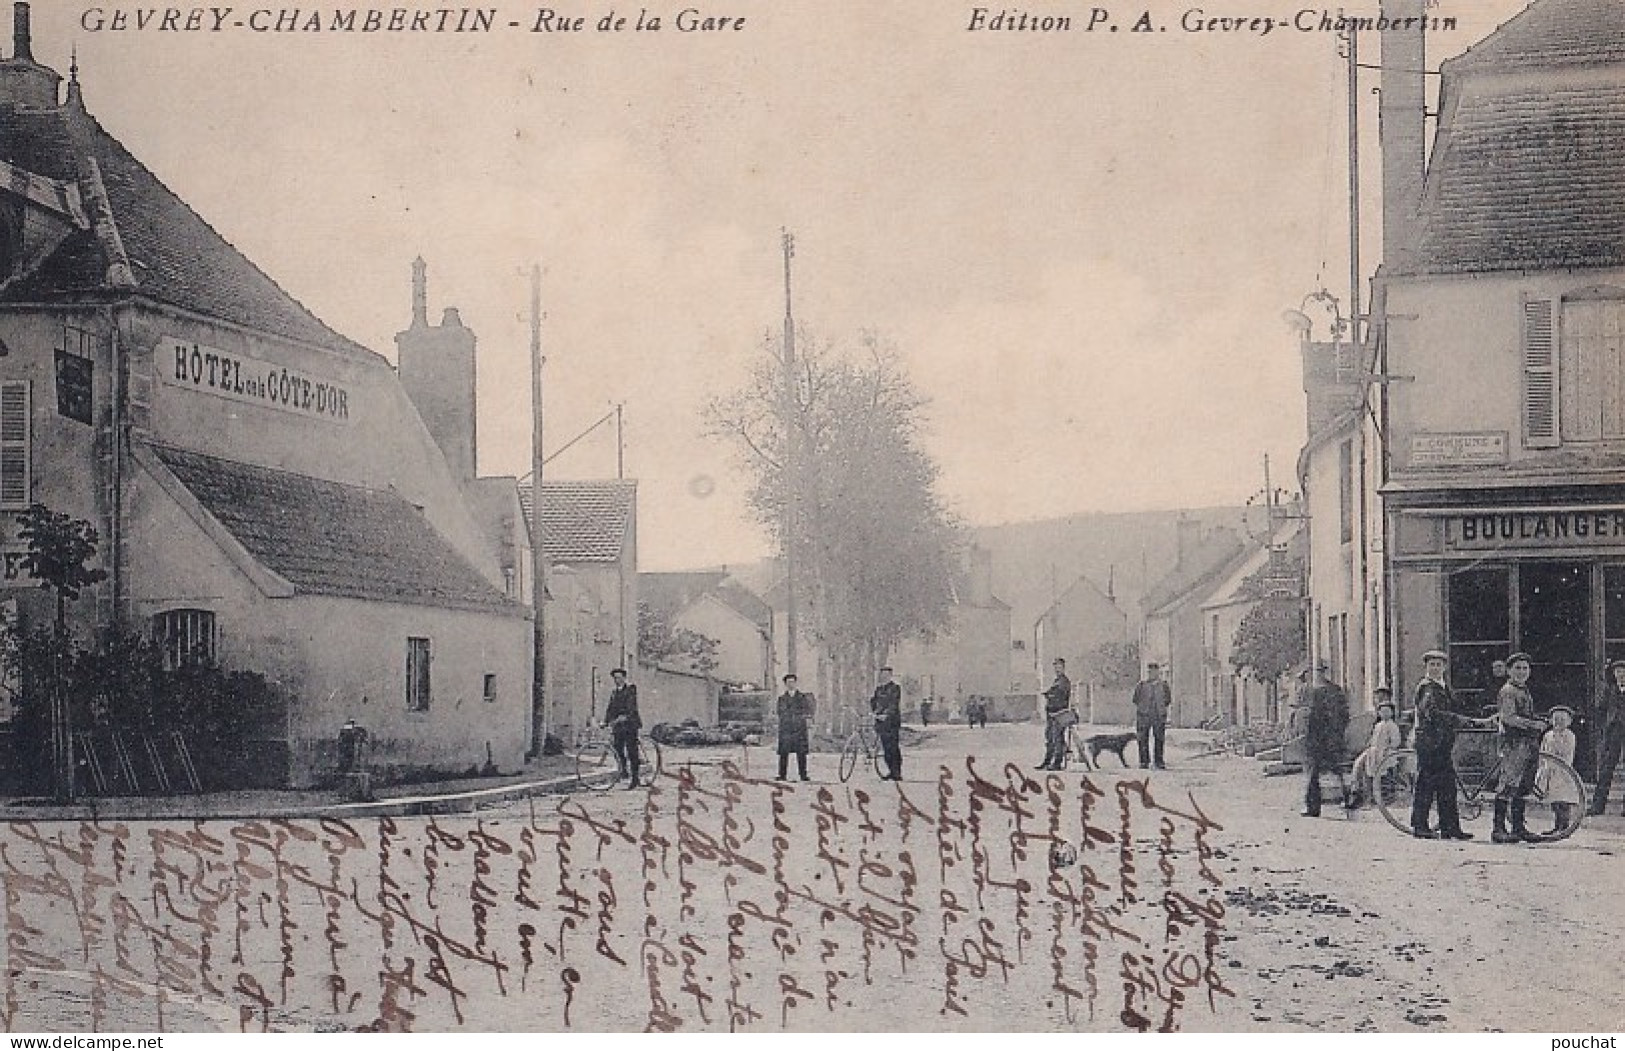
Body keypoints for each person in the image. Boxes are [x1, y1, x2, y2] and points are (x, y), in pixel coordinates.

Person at [1410, 650, 1476, 840]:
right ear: (1426, 667)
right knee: (1426, 785)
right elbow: (1433, 713)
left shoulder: (1442, 686)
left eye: (1439, 665)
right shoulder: (1427, 688)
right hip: (1429, 743)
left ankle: (1450, 828)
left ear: (1445, 667)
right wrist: (1460, 720)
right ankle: (1420, 826)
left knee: (1447, 786)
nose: (1435, 668)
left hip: (1441, 742)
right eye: (1432, 665)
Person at [1492, 653, 1549, 844]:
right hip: (1514, 744)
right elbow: (1508, 718)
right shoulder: (1508, 691)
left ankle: (1518, 828)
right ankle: (1498, 829)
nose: (1522, 672)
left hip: (1527, 744)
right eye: (1517, 668)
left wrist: (1537, 721)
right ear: (1509, 671)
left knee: (1523, 786)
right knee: (1508, 784)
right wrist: (1534, 725)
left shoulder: (1524, 690)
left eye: (1525, 668)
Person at [1300, 664, 1350, 818]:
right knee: (1339, 771)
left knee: (1314, 773)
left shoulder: (1315, 693)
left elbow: (1312, 719)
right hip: (1334, 738)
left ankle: (1313, 807)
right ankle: (1349, 802)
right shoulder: (1336, 691)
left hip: (1318, 740)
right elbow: (1345, 715)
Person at [1345, 690, 1401, 810]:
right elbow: (1372, 736)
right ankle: (1358, 794)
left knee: (1375, 771)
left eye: (1382, 697)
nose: (1379, 699)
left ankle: (1374, 797)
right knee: (1359, 765)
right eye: (1377, 698)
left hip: (1385, 751)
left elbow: (1396, 741)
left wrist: (1388, 749)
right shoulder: (1378, 722)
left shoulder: (1392, 724)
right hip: (1373, 750)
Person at [1536, 705, 1579, 834]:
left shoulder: (1569, 736)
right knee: (1554, 800)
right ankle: (1557, 825)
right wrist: (1542, 767)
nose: (1559, 722)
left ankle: (1564, 826)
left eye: (1562, 719)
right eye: (1556, 719)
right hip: (1550, 771)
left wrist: (1558, 740)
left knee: (1564, 800)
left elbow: (1565, 752)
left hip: (1563, 771)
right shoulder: (1548, 735)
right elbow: (1543, 751)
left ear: (1568, 722)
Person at [1591, 659, 1625, 816]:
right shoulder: (1609, 690)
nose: (1622, 675)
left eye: (1624, 672)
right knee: (1606, 768)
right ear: (1614, 674)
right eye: (1618, 672)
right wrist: (1604, 727)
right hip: (1614, 732)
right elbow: (1600, 710)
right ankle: (1598, 806)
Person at [604, 667, 643, 789]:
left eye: (619, 678)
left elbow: (631, 706)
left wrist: (625, 716)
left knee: (632, 751)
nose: (617, 680)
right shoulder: (614, 692)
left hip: (630, 724)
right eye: (615, 678)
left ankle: (635, 778)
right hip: (619, 726)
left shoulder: (631, 689)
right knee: (617, 749)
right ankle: (624, 771)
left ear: (624, 678)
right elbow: (610, 708)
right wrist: (606, 721)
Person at [1131, 662, 1173, 770]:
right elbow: (1135, 699)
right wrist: (1143, 708)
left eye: (1154, 672)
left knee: (1159, 739)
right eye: (1149, 672)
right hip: (1143, 716)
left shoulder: (1164, 685)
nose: (1152, 674)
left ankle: (1158, 762)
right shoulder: (1141, 685)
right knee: (1142, 739)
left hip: (1158, 716)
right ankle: (1144, 762)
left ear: (1158, 672)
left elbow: (1168, 700)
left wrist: (1160, 709)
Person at [1036, 658, 1073, 770]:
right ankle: (1047, 761)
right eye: (1056, 667)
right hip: (1052, 713)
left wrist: (1050, 695)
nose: (1057, 669)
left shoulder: (1064, 681)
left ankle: (1057, 763)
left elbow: (1060, 696)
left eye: (1059, 667)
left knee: (1057, 738)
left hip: (1059, 714)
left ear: (1063, 667)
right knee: (1049, 737)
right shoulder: (1057, 680)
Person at [776, 673, 813, 782]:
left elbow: (806, 710)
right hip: (786, 729)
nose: (791, 684)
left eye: (792, 682)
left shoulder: (802, 697)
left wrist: (799, 718)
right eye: (788, 682)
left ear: (796, 683)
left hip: (799, 729)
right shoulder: (782, 699)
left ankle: (803, 775)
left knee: (801, 753)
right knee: (784, 753)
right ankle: (782, 775)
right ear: (785, 684)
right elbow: (780, 712)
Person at [870, 666, 903, 781]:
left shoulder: (895, 688)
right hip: (880, 721)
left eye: (886, 675)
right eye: (882, 675)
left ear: (890, 676)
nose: (884, 677)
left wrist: (887, 714)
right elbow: (874, 701)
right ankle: (890, 771)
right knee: (885, 747)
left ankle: (896, 772)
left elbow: (894, 704)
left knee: (893, 747)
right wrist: (875, 712)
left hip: (892, 722)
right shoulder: (878, 689)